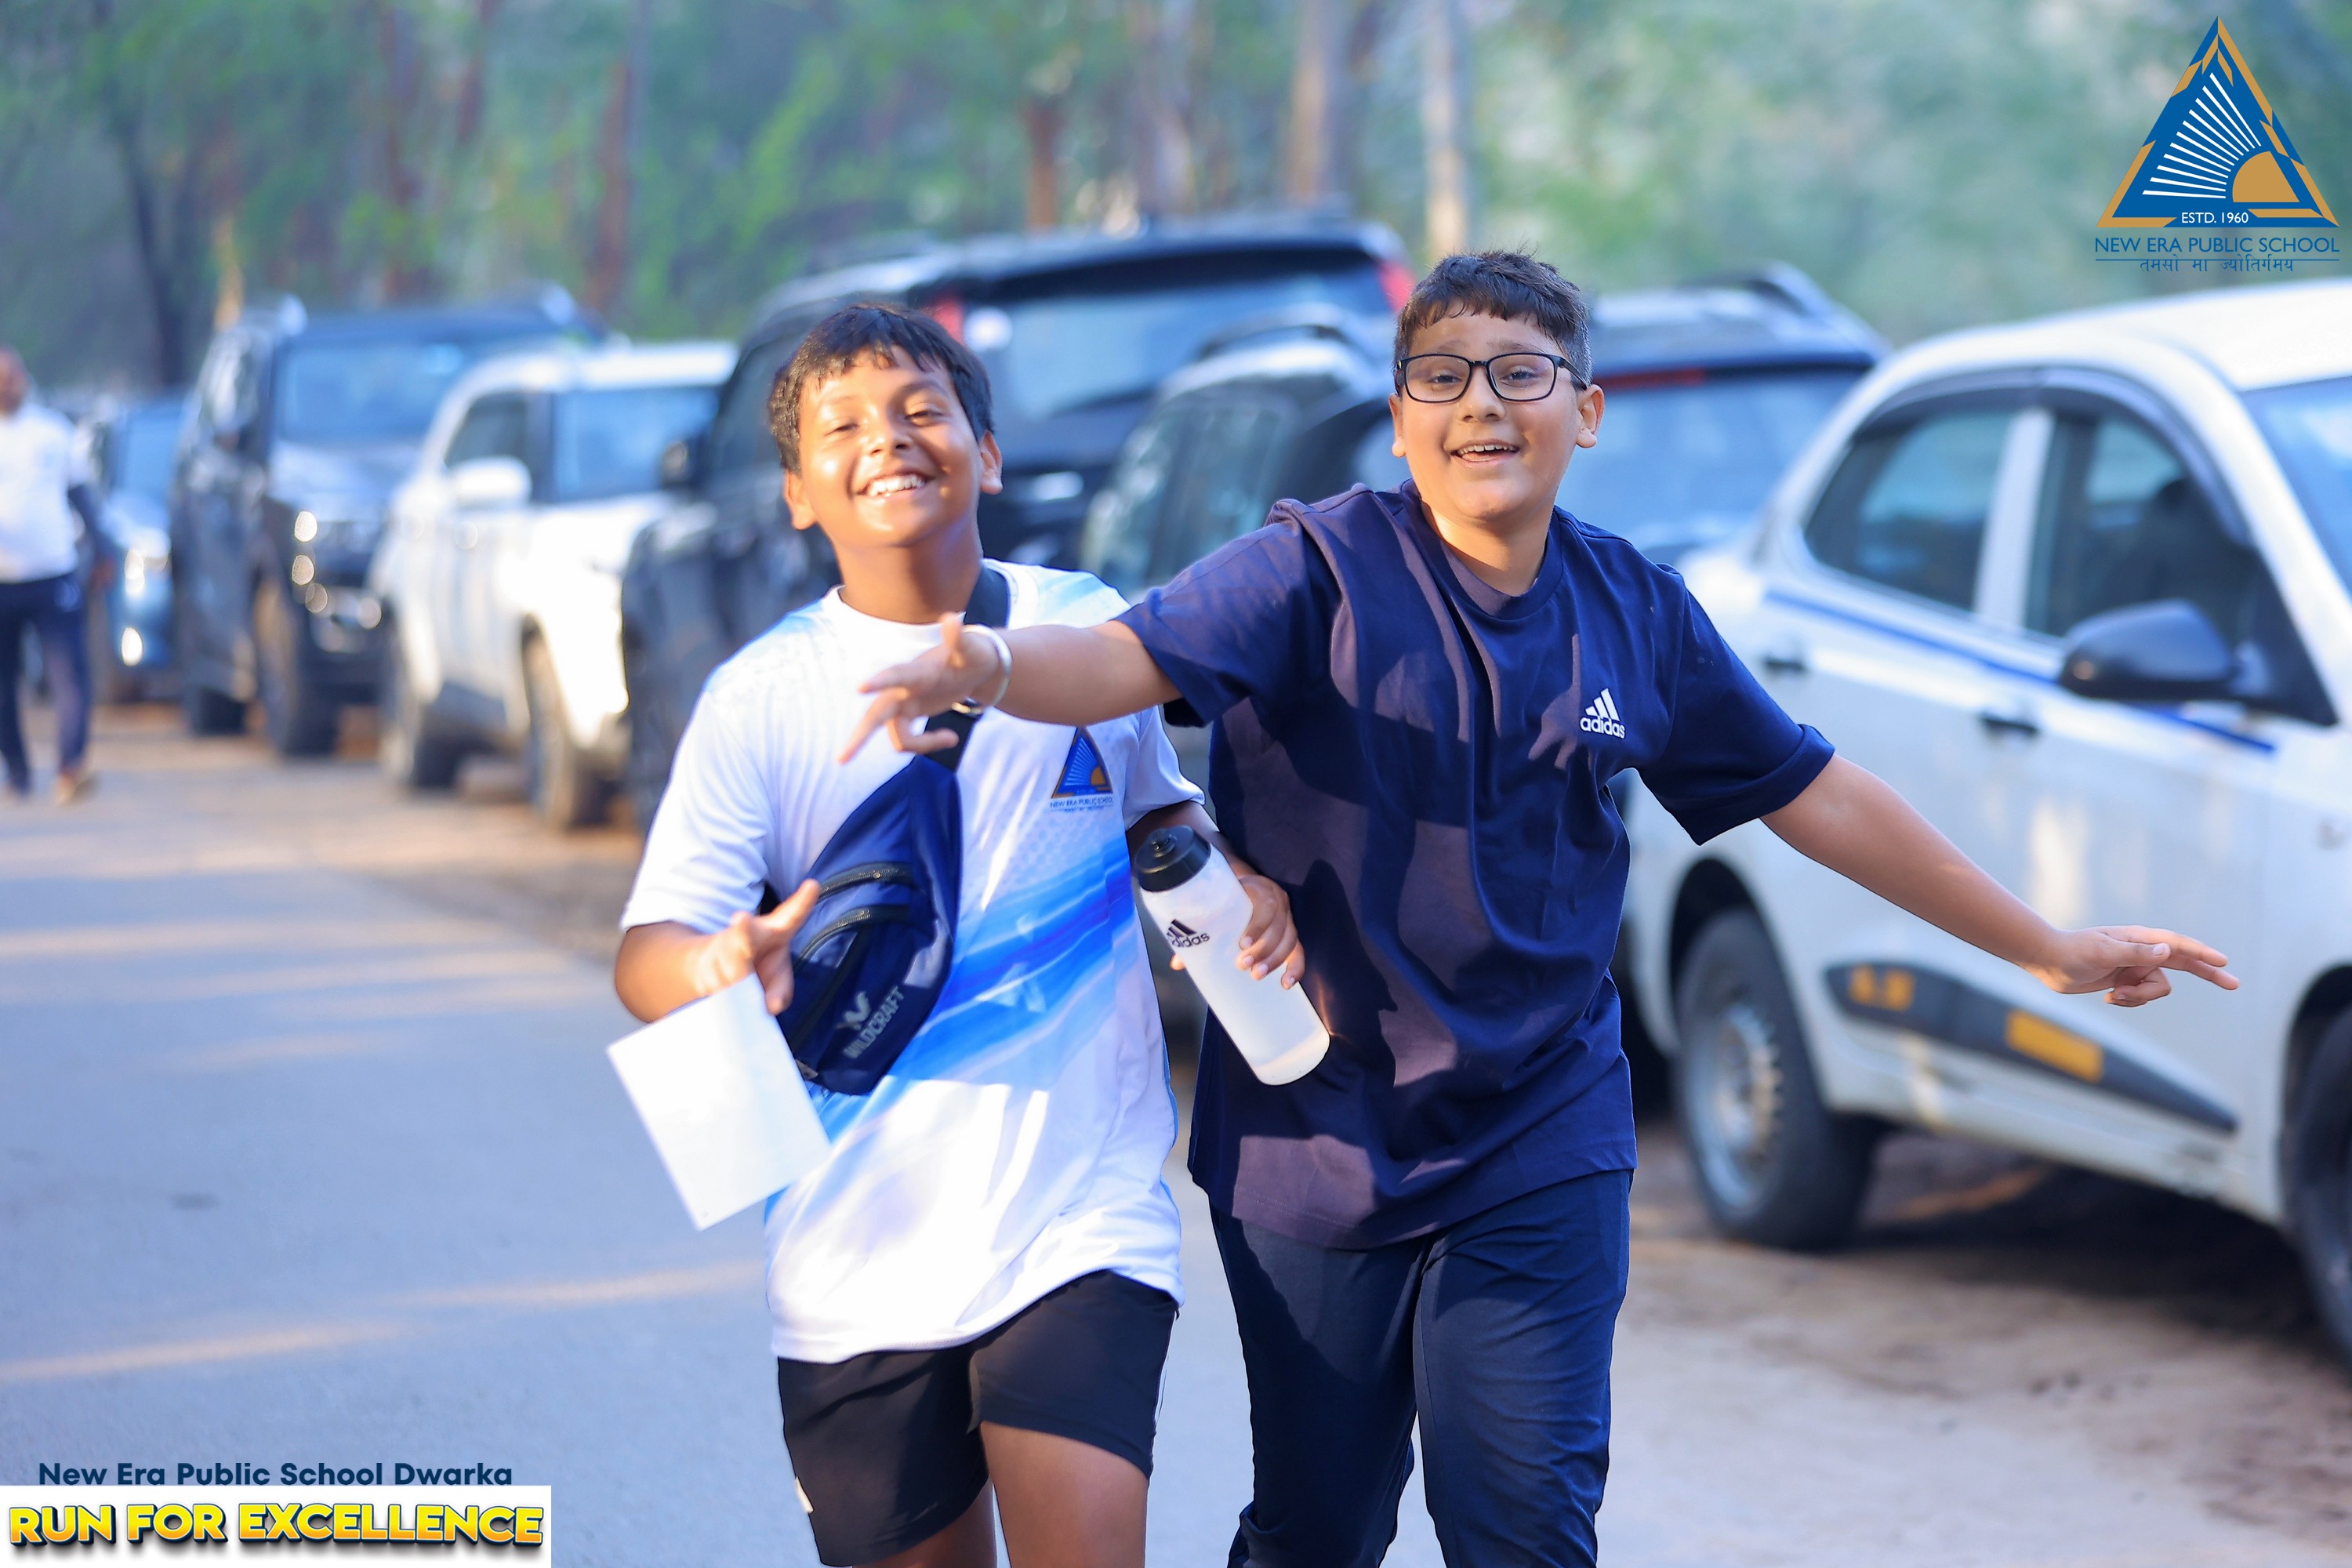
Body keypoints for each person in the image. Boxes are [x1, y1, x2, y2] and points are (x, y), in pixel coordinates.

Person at [842, 251, 2239, 1567]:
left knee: (1523, 1519)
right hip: (1316, 1141)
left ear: (1587, 409)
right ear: (1401, 420)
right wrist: (986, 663)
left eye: (1520, 373)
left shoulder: (1636, 611)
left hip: (1539, 1128)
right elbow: (1121, 660)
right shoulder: (1312, 570)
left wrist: (2046, 947)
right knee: (1321, 1529)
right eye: (1442, 377)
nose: (1481, 406)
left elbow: (1814, 794)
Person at [612, 303, 1300, 1568]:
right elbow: (647, 951)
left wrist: (1233, 881)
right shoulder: (760, 700)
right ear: (797, 493)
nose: (887, 437)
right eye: (842, 425)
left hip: (1076, 1217)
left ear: (987, 452)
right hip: (852, 1250)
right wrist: (713, 965)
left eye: (921, 408)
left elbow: (1158, 811)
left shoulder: (1083, 629)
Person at [0, 346, 102, 804]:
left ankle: (70, 767)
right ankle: (17, 770)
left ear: (25, 379)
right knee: (4, 686)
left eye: (13, 377)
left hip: (52, 573)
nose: (7, 386)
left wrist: (102, 548)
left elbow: (81, 495)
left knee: (69, 676)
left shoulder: (52, 432)